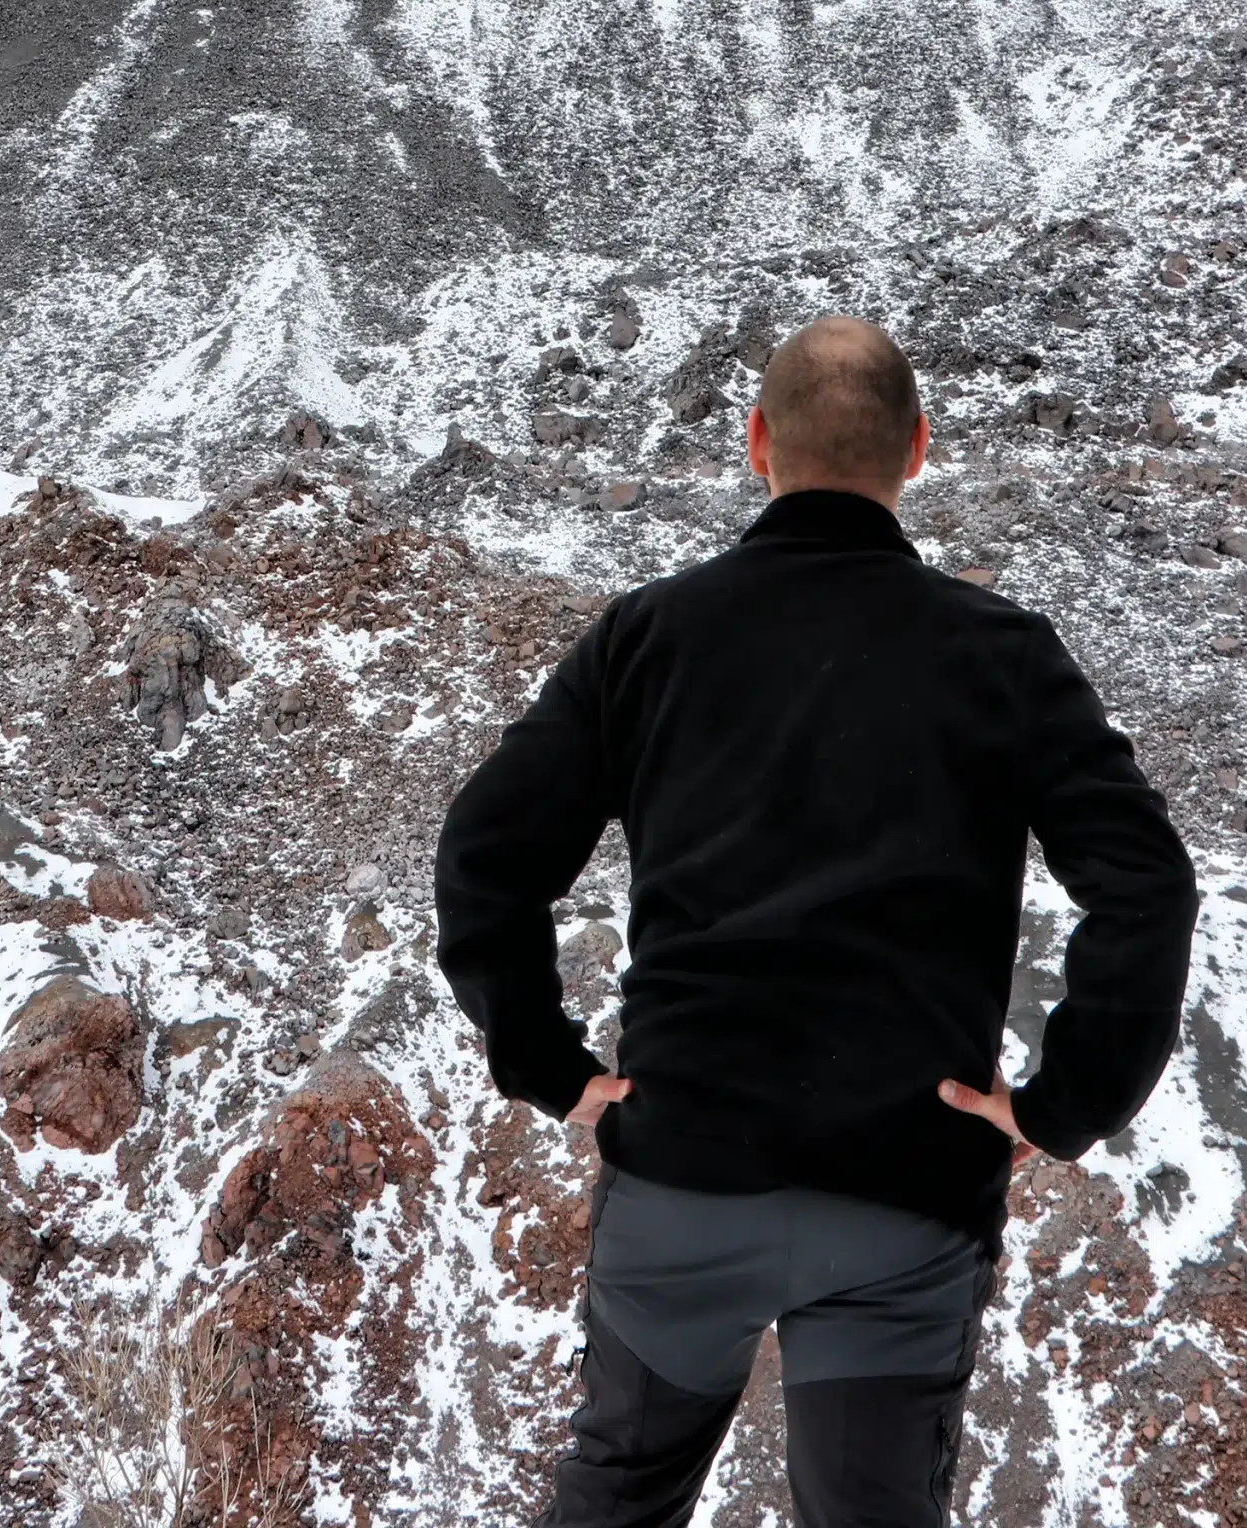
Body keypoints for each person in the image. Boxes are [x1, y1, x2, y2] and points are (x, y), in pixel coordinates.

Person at [435, 316, 1196, 1528]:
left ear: (755, 443)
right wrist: (1063, 1104)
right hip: (902, 1193)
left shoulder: (649, 637)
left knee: (616, 1500)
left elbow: (486, 855)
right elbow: (1147, 881)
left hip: (686, 1167)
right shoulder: (1001, 654)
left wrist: (552, 1066)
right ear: (918, 449)